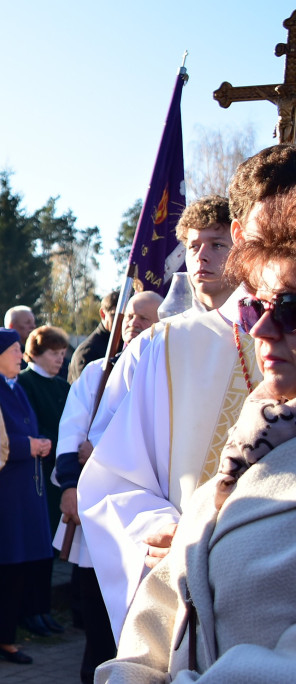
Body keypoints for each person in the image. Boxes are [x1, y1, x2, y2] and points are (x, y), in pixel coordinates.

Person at [76, 147, 296, 640]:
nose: (284, 249)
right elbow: (114, 479)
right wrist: (163, 532)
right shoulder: (168, 347)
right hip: (196, 607)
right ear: (242, 236)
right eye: (270, 235)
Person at [56, 291, 162, 684]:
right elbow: (71, 432)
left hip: (154, 515)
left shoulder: (172, 373)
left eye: (145, 319)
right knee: (98, 625)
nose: (134, 324)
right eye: (130, 316)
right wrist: (70, 484)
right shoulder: (96, 372)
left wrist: (99, 450)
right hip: (101, 514)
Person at [0, 328, 52, 668]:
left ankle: (4, 636)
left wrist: (39, 441)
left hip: (23, 493)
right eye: (15, 349)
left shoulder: (13, 385)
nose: (21, 354)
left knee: (16, 569)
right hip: (1, 493)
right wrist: (26, 446)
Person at [17, 324, 71, 637]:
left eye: (63, 354)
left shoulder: (63, 387)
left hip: (56, 478)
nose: (60, 359)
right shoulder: (26, 382)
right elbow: (31, 427)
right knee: (34, 545)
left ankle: (43, 609)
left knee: (48, 548)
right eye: (53, 353)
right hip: (35, 474)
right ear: (36, 352)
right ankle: (29, 611)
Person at [178, 195, 234, 313]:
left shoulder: (268, 327)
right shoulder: (166, 330)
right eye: (194, 247)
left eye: (217, 245)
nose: (201, 256)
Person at [68, 291, 118, 383]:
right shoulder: (87, 351)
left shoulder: (125, 344)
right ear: (103, 314)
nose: (121, 321)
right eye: (115, 315)